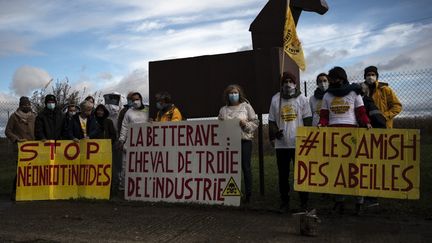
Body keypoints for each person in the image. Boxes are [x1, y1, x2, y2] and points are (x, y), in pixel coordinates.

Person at [318, 66, 371, 215]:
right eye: (332, 79)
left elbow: (361, 112)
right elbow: (324, 115)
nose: (334, 81)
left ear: (342, 78)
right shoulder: (327, 96)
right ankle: (339, 201)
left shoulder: (354, 93)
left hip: (352, 134)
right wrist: (322, 124)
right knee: (337, 169)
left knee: (355, 169)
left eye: (336, 78)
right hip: (334, 135)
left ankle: (359, 202)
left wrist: (366, 122)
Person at [268, 71, 312, 212]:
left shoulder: (302, 99)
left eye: (290, 81)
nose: (288, 84)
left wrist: (307, 139)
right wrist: (275, 133)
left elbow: (308, 121)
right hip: (282, 145)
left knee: (301, 174)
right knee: (283, 174)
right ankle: (284, 201)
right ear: (282, 84)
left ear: (295, 84)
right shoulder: (276, 99)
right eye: (285, 82)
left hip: (299, 143)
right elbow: (272, 120)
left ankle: (304, 202)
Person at [218, 85, 258, 203]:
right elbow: (220, 126)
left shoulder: (246, 107)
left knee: (246, 167)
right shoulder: (223, 110)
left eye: (235, 93)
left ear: (239, 94)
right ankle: (231, 194)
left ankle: (248, 194)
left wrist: (245, 125)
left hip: (244, 140)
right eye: (231, 93)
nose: (233, 95)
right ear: (227, 95)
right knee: (230, 168)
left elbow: (255, 122)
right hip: (229, 142)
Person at [5, 96, 36, 200]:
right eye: (25, 105)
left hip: (34, 148)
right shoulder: (14, 117)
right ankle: (15, 192)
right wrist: (17, 139)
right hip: (20, 148)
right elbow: (8, 131)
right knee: (21, 171)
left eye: (28, 104)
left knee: (32, 171)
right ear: (20, 106)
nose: (27, 106)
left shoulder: (34, 116)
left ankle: (30, 192)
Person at [118, 92, 149, 191]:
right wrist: (122, 140)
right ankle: (125, 187)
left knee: (143, 165)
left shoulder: (147, 110)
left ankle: (142, 187)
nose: (135, 101)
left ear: (141, 99)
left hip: (145, 143)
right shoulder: (128, 112)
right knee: (126, 165)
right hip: (130, 142)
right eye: (133, 100)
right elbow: (124, 127)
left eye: (137, 99)